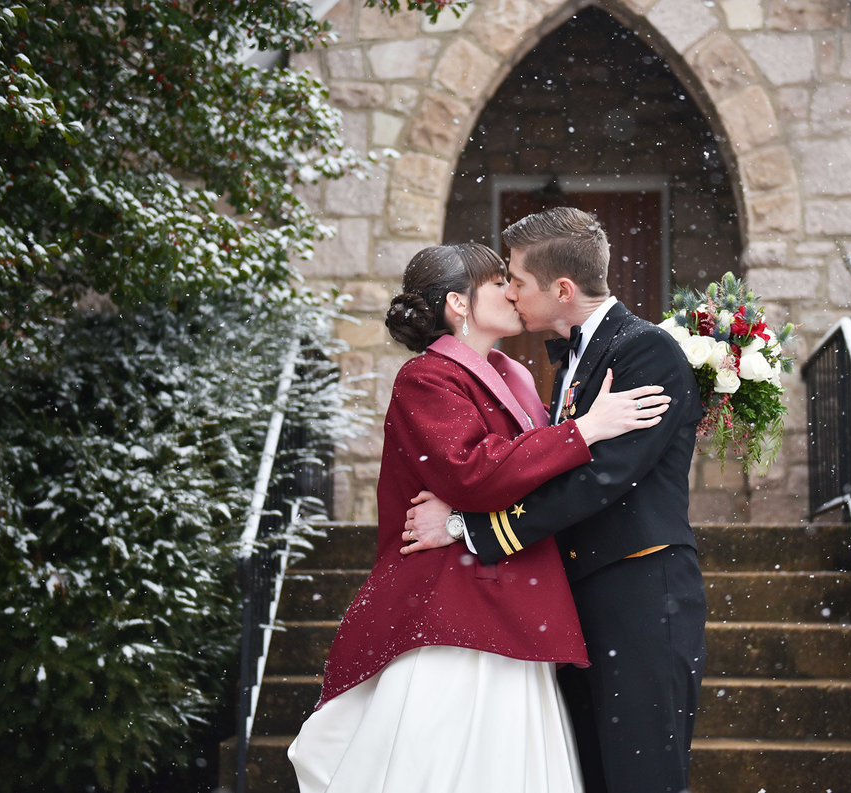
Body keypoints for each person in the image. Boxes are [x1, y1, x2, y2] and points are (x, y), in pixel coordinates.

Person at [287, 242, 670, 793]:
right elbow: (472, 472)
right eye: (498, 282)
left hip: (509, 595)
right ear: (458, 303)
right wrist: (582, 431)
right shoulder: (426, 377)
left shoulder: (511, 373)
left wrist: (589, 424)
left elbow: (530, 472)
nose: (512, 291)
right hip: (453, 602)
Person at [404, 208, 707, 793]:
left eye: (516, 280)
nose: (510, 294)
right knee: (588, 774)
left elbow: (599, 481)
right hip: (579, 603)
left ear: (561, 290)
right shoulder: (564, 360)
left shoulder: (646, 352)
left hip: (641, 596)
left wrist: (470, 529)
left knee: (641, 776)